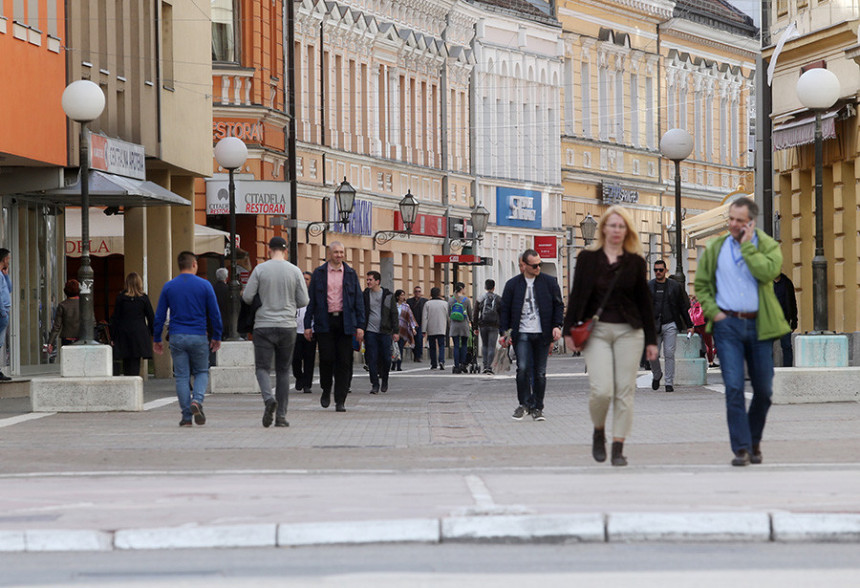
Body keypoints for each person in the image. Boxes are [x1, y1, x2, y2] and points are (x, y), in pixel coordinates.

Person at [694, 196, 789, 466]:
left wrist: (748, 248)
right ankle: (742, 448)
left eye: (739, 220)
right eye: (731, 219)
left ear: (751, 222)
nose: (733, 225)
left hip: (760, 325)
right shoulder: (715, 248)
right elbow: (701, 286)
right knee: (734, 387)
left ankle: (754, 439)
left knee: (764, 390)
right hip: (728, 326)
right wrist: (716, 314)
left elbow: (767, 272)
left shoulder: (768, 245)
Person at [563, 205, 658, 466]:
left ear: (626, 231)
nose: (616, 230)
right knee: (602, 390)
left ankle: (618, 446)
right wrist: (568, 329)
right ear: (603, 228)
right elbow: (577, 296)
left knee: (624, 391)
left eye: (621, 226)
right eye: (612, 225)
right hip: (598, 332)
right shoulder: (587, 259)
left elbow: (644, 303)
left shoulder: (635, 262)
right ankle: (598, 431)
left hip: (630, 332)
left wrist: (651, 340)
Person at [243, 237, 308, 428]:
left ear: (269, 249)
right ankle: (281, 416)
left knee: (262, 368)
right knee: (283, 370)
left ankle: (268, 398)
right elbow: (304, 300)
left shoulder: (260, 269)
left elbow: (247, 297)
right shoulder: (295, 271)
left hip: (263, 325)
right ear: (285, 251)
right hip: (287, 326)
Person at [153, 251, 223, 427]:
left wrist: (157, 338)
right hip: (198, 335)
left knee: (182, 376)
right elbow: (215, 314)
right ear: (194, 265)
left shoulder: (169, 286)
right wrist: (217, 335)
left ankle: (186, 417)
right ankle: (197, 400)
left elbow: (160, 315)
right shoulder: (205, 285)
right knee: (201, 372)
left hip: (177, 335)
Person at [500, 249, 564, 422]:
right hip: (521, 334)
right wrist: (504, 333)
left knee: (540, 373)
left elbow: (558, 305)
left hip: (542, 334)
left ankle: (537, 407)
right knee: (522, 369)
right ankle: (524, 404)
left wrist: (557, 326)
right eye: (535, 265)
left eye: (540, 264)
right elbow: (504, 310)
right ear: (525, 266)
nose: (538, 268)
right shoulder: (513, 284)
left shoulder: (549, 282)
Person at [304, 241, 364, 412]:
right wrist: (307, 325)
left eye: (341, 252)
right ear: (329, 254)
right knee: (326, 359)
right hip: (325, 321)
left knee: (344, 362)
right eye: (336, 252)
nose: (339, 255)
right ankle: (326, 389)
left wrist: (360, 326)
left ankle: (340, 399)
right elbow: (312, 301)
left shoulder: (351, 274)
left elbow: (358, 301)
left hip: (345, 322)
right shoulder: (319, 273)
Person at [648, 259, 693, 393]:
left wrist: (689, 324)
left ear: (666, 270)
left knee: (669, 353)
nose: (658, 272)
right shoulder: (649, 286)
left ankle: (669, 382)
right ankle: (657, 375)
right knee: (652, 355)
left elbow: (682, 307)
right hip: (654, 325)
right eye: (655, 270)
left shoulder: (674, 286)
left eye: (661, 270)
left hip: (670, 324)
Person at [109, 273, 154, 376]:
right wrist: (153, 333)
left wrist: (113, 336)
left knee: (126, 359)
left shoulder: (121, 298)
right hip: (139, 332)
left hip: (123, 333)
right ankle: (134, 379)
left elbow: (116, 318)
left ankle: (128, 378)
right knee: (136, 360)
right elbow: (150, 316)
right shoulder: (143, 298)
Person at [362, 271, 398, 394]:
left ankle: (385, 379)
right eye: (367, 280)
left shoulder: (388, 296)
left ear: (377, 281)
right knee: (371, 358)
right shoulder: (365, 295)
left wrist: (396, 331)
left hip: (385, 331)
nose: (368, 282)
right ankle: (375, 384)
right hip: (370, 331)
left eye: (370, 280)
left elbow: (394, 313)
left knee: (386, 358)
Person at [293, 271, 316, 393]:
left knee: (309, 359)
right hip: (295, 331)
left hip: (310, 330)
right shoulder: (294, 294)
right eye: (303, 279)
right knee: (295, 358)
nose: (305, 281)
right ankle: (299, 377)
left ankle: (307, 384)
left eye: (307, 279)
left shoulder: (313, 295)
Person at [475, 279, 502, 374]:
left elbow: (475, 313)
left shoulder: (480, 298)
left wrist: (475, 327)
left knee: (485, 345)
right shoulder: (498, 298)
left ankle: (485, 366)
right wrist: (502, 329)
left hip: (483, 325)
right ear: (494, 287)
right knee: (492, 346)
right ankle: (490, 367)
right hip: (494, 326)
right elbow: (502, 314)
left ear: (485, 287)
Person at [47, 279, 81, 353]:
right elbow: (92, 323)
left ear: (65, 291)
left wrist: (50, 342)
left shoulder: (62, 305)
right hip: (81, 338)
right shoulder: (84, 305)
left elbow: (56, 326)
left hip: (67, 338)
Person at [448, 282, 473, 374]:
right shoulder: (466, 300)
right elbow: (470, 314)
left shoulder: (451, 300)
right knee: (464, 345)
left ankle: (456, 365)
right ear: (462, 289)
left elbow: (449, 313)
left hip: (454, 325)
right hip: (464, 325)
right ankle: (463, 364)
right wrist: (471, 321)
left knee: (456, 346)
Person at [773, 273, 798, 367]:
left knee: (787, 346)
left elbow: (793, 303)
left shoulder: (787, 283)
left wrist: (794, 322)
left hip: (784, 321)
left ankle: (788, 368)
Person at [422, 287, 448, 370]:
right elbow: (448, 316)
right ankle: (441, 360)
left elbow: (424, 317)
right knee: (441, 345)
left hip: (431, 327)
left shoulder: (427, 304)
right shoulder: (445, 304)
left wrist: (423, 330)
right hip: (441, 327)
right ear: (439, 294)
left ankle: (433, 363)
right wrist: (450, 327)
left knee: (432, 346)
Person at [689, 294, 717, 367]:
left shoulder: (692, 302)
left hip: (695, 325)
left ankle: (701, 357)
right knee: (708, 344)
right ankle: (711, 362)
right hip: (704, 325)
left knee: (698, 343)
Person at [393, 289, 417, 372]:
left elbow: (410, 317)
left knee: (400, 347)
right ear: (397, 296)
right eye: (401, 295)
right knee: (393, 347)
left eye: (404, 295)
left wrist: (413, 328)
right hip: (394, 329)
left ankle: (399, 365)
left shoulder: (406, 306)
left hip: (403, 329)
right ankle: (393, 363)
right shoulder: (393, 305)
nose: (403, 297)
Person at [406, 286, 427, 362]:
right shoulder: (410, 301)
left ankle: (419, 356)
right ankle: (415, 354)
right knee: (413, 340)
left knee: (419, 339)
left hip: (421, 323)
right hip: (412, 323)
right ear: (414, 293)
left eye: (419, 291)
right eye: (416, 291)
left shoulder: (424, 301)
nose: (417, 293)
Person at [0, 248, 12, 380]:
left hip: (3, 312)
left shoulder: (1, 274)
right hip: (1, 312)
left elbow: (9, 289)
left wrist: (6, 275)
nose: (9, 261)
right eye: (8, 258)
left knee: (0, 342)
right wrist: (3, 312)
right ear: (4, 259)